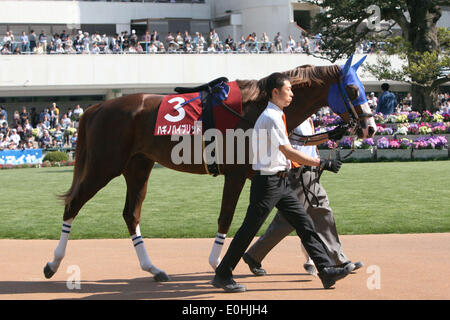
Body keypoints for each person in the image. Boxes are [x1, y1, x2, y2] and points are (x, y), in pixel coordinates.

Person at [211, 72, 351, 293]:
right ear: (275, 92)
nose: (292, 94)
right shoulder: (271, 117)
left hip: (280, 182)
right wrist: (321, 163)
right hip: (267, 184)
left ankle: (325, 270)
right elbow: (288, 151)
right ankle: (222, 274)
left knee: (305, 224)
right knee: (248, 230)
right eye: (288, 90)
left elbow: (289, 150)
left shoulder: (276, 116)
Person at [243, 117, 362, 278]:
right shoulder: (290, 116)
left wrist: (333, 135)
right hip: (297, 173)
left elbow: (309, 144)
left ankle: (339, 259)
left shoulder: (307, 119)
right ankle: (254, 255)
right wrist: (326, 147)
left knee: (322, 212)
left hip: (310, 172)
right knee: (288, 221)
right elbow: (300, 142)